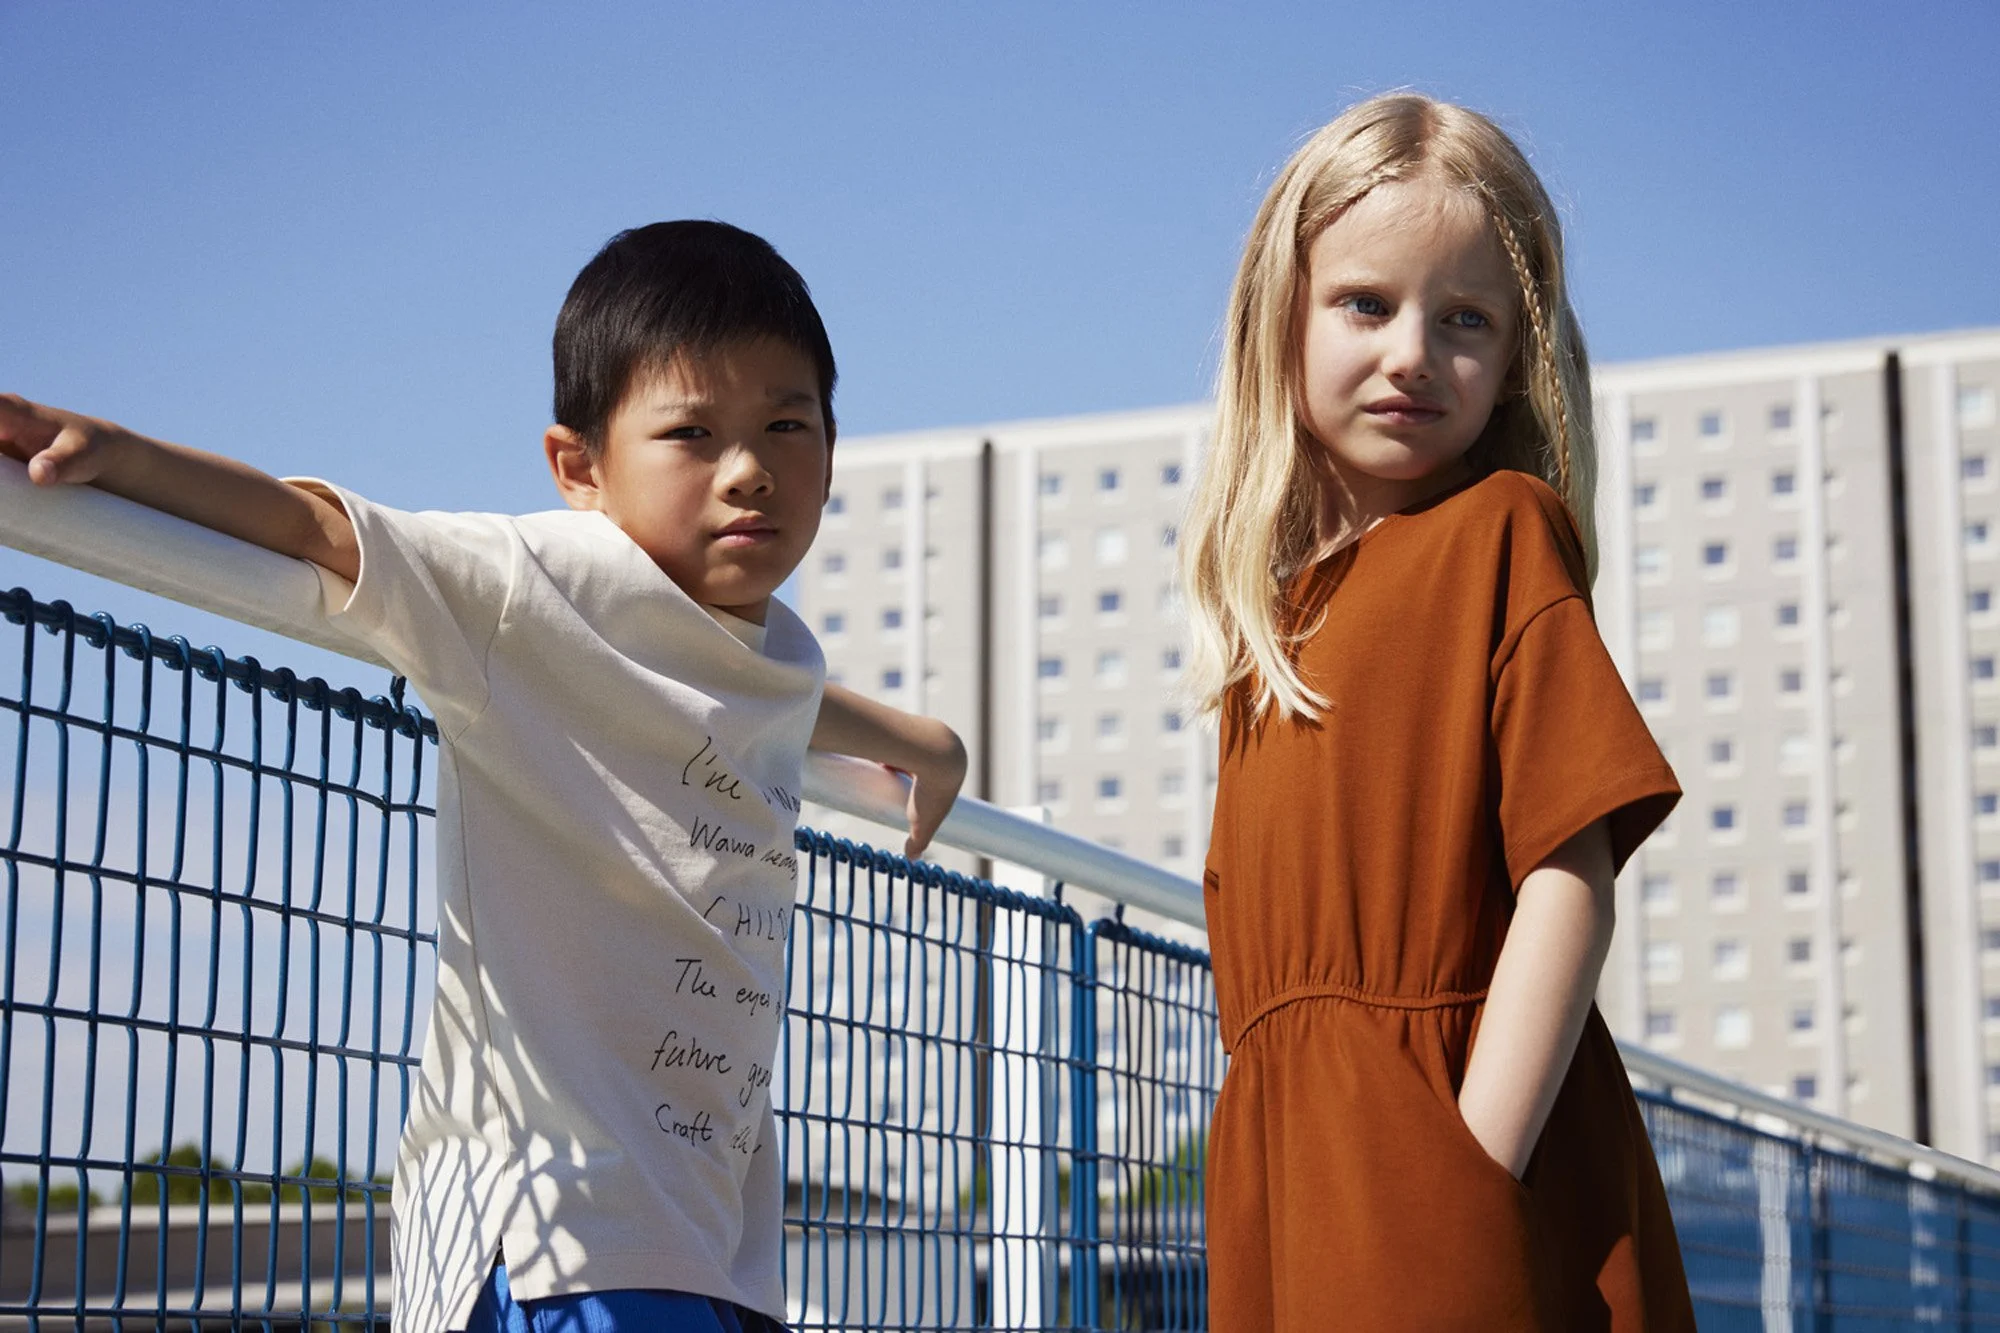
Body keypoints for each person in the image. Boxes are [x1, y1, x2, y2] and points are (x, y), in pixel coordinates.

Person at [0, 221, 967, 1333]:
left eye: (785, 426)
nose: (747, 469)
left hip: (707, 1234)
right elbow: (319, 529)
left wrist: (916, 736)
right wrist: (121, 454)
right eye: (692, 432)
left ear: (832, 451)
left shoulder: (771, 646)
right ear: (579, 469)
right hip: (556, 1227)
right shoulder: (532, 584)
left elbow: (754, 693)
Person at [1178, 94, 1697, 1329]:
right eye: (1365, 303)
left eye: (1464, 318)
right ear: (1278, 322)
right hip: (1293, 1193)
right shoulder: (1270, 638)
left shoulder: (1498, 537)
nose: (1412, 351)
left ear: (1516, 354)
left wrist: (1467, 1171)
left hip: (1451, 1186)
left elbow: (1569, 879)